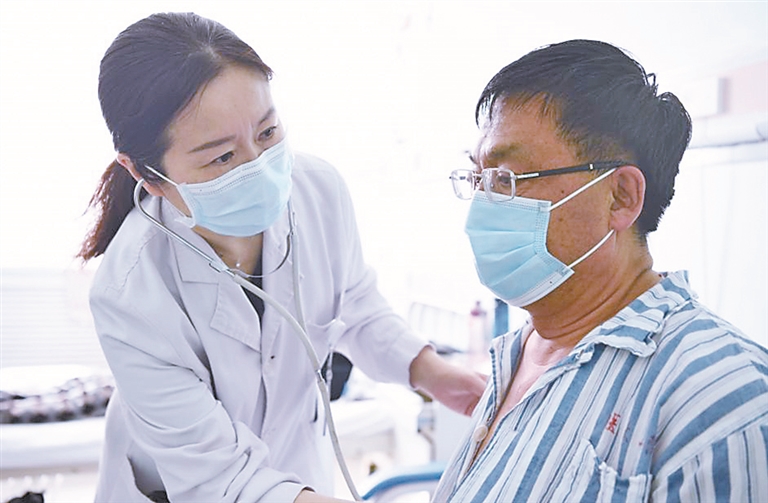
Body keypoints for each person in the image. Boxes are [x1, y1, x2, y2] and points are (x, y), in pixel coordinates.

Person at [78, 12, 485, 503]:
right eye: (222, 157)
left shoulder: (318, 191)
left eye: (268, 133)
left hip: (298, 472)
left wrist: (434, 373)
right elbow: (217, 477)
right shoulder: (129, 292)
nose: (259, 167)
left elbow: (353, 307)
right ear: (146, 173)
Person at [436, 40, 768, 502]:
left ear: (621, 197)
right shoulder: (519, 352)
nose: (482, 205)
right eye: (479, 179)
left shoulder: (721, 402)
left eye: (505, 178)